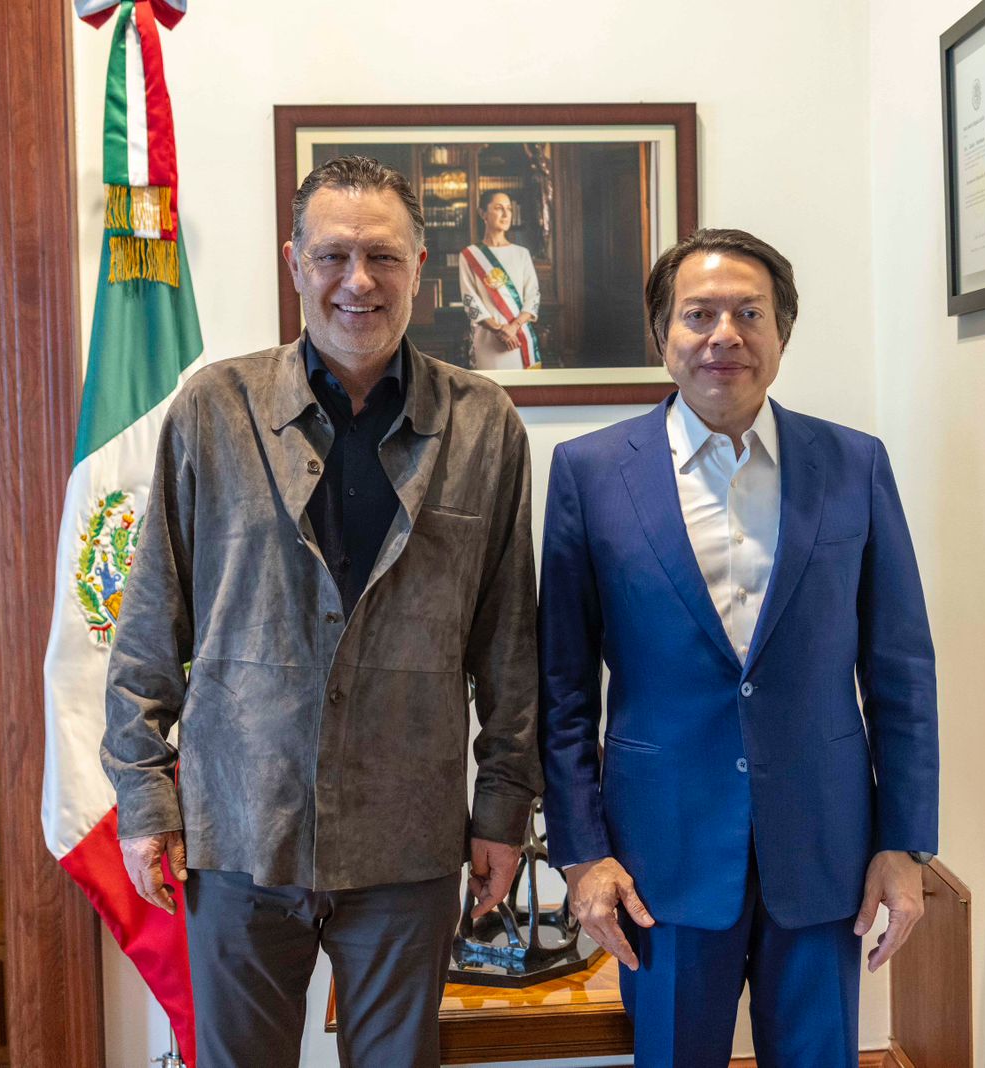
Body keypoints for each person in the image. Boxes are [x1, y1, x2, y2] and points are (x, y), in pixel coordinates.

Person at [101, 155, 542, 1068]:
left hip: (407, 838)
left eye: (383, 257)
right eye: (334, 255)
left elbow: (509, 644)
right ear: (295, 262)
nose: (358, 281)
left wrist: (503, 808)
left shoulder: (484, 423)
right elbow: (150, 622)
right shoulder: (214, 409)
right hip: (240, 831)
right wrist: (144, 799)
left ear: (420, 267)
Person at [538, 229, 939, 1067]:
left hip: (824, 849)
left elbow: (900, 671)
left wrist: (904, 845)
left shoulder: (854, 464)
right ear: (663, 335)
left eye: (749, 314)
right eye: (700, 315)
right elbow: (563, 688)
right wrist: (581, 856)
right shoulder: (590, 472)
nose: (725, 335)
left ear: (782, 333)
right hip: (659, 860)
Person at [460, 190, 543, 370]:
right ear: (483, 213)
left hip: (519, 337)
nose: (506, 214)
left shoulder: (522, 254)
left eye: (509, 209)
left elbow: (533, 296)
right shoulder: (469, 255)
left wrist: (513, 327)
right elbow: (470, 300)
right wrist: (498, 329)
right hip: (488, 340)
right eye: (499, 208)